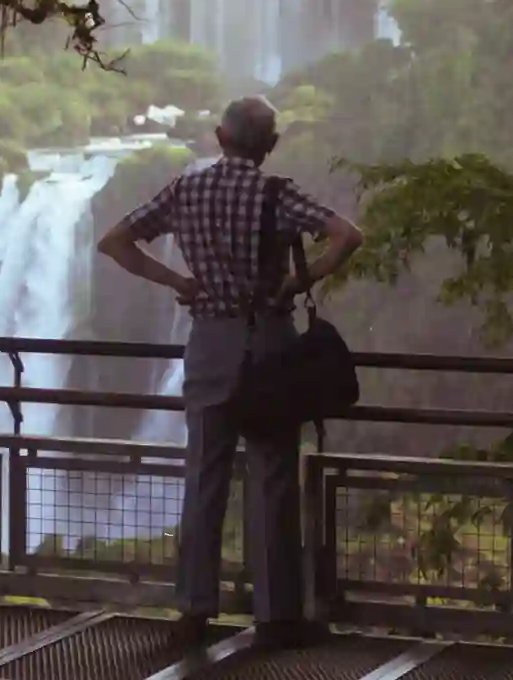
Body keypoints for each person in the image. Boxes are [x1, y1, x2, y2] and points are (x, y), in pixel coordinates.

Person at [97, 95, 365, 652]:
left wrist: (177, 281)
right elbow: (347, 234)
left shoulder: (185, 188)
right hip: (268, 345)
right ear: (269, 145)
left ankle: (194, 613)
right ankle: (276, 619)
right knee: (271, 480)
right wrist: (300, 280)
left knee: (204, 480)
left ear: (220, 138)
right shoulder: (276, 193)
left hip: (209, 346)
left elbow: (115, 241)